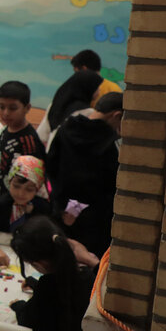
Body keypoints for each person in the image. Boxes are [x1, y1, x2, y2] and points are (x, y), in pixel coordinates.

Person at [46, 92, 123, 258]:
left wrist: (63, 206)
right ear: (117, 115)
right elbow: (111, 186)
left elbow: (51, 167)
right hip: (94, 224)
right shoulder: (111, 144)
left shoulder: (65, 129)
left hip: (63, 214)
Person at [0, 155, 51, 266]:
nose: (20, 194)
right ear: (9, 182)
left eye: (29, 189)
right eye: (16, 186)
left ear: (37, 189)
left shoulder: (42, 207)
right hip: (4, 248)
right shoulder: (4, 202)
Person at [0, 81, 46, 193]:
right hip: (4, 192)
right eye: (1, 107)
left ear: (27, 108)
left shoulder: (29, 141)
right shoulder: (5, 131)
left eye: (13, 108)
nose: (6, 113)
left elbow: (32, 180)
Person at [36, 69, 102, 147]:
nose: (99, 90)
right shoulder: (88, 112)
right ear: (88, 88)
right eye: (97, 87)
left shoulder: (54, 105)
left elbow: (42, 134)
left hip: (51, 149)